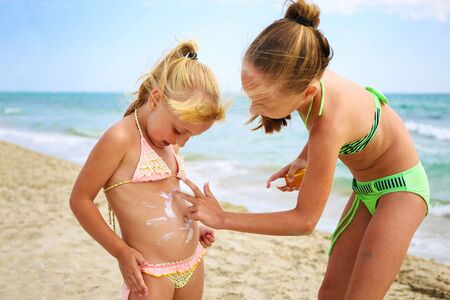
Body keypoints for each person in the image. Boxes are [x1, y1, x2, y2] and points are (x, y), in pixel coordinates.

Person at [175, 1, 430, 299]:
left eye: (264, 102)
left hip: (402, 192)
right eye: (250, 95)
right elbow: (333, 129)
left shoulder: (329, 124)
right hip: (365, 189)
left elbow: (304, 222)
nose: (254, 108)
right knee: (331, 292)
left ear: (307, 91)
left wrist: (223, 218)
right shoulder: (304, 77)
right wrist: (302, 157)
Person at [70, 40, 226, 300]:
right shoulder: (121, 138)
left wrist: (194, 229)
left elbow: (163, 197)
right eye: (179, 130)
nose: (181, 141)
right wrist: (120, 250)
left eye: (190, 136)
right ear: (156, 99)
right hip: (151, 273)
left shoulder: (166, 141)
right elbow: (80, 200)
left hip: (193, 261)